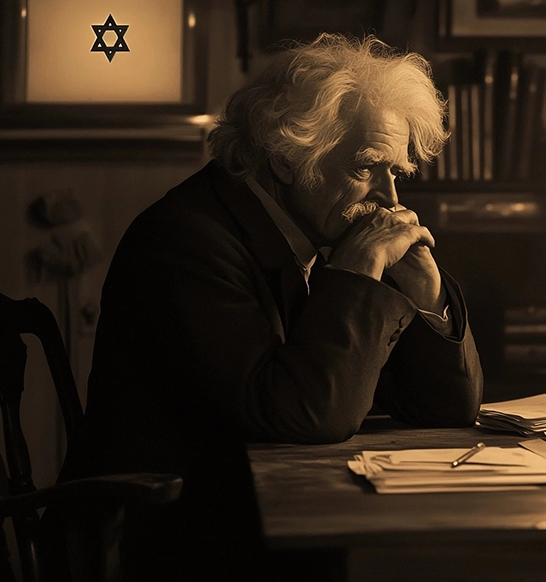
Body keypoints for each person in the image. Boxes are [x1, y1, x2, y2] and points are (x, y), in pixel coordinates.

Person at [49, 34, 483, 581]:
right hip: (176, 542)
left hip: (262, 513)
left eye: (398, 172)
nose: (391, 199)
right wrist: (353, 273)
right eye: (365, 167)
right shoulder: (185, 240)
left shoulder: (320, 227)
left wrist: (426, 291)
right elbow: (303, 415)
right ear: (284, 160)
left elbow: (449, 409)